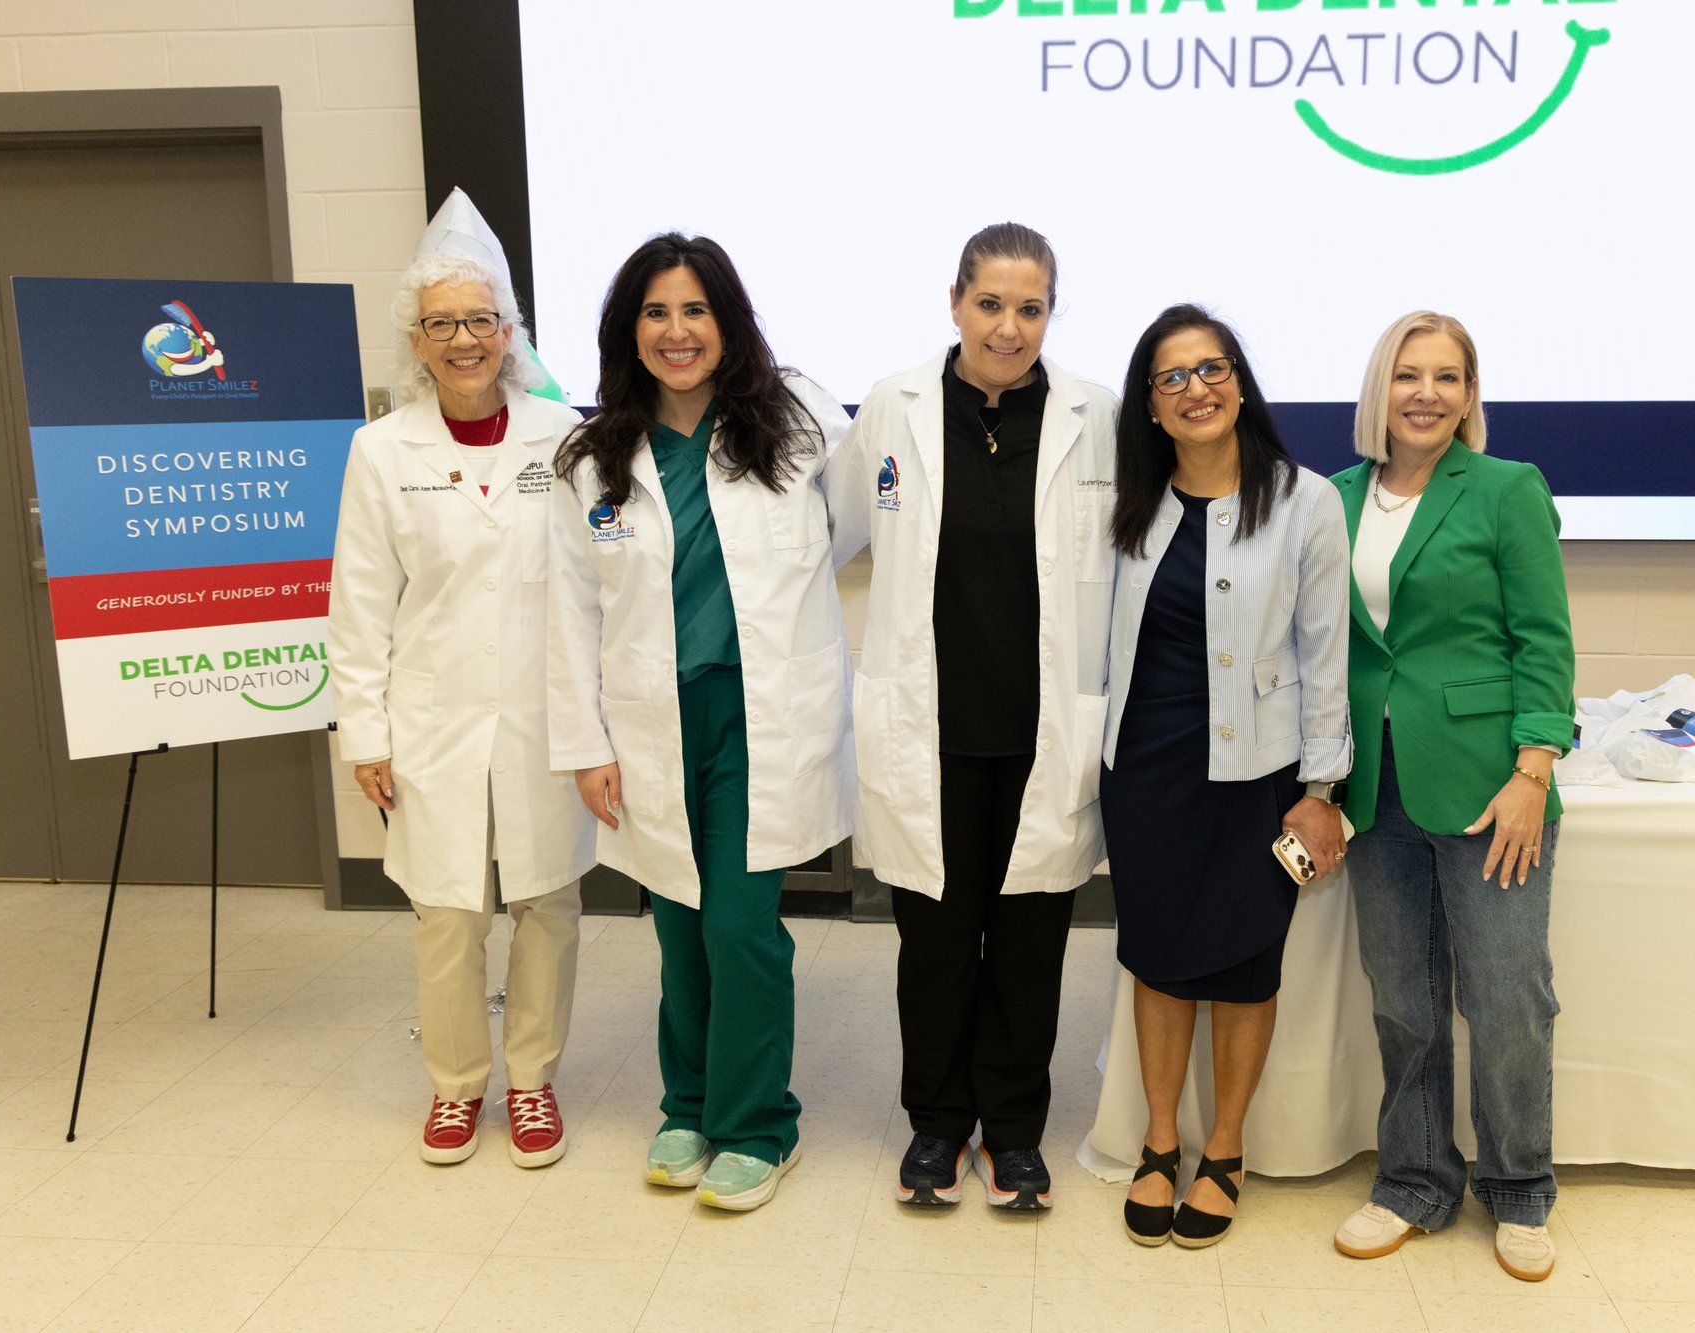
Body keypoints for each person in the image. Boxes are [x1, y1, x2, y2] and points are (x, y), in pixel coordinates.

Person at [547, 232, 852, 1213]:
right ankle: (687, 1105)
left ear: (728, 321)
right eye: (654, 312)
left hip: (759, 719)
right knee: (678, 926)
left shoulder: (798, 419)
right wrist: (586, 745)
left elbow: (851, 528)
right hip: (649, 723)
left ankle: (759, 1124)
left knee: (739, 926)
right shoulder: (593, 460)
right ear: (625, 329)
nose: (676, 332)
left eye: (694, 310)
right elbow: (569, 613)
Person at [826, 222, 1120, 1212]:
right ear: (953, 301)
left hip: (1046, 730)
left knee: (1031, 943)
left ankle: (1015, 1129)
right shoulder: (893, 408)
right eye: (989, 303)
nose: (1007, 326)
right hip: (929, 730)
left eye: (1028, 307)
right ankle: (937, 1124)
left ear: (1049, 313)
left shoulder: (1093, 415)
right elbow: (826, 534)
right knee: (939, 944)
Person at [330, 253, 596, 1168]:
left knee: (548, 901)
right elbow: (360, 600)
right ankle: (455, 1086)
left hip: (542, 716)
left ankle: (531, 1081)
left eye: (480, 320)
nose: (464, 340)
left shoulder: (564, 436)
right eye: (442, 324)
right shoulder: (382, 449)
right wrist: (364, 729)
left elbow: (597, 584)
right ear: (417, 343)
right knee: (447, 910)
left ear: (510, 333)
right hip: (432, 722)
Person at [1327, 311, 1575, 1281]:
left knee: (1509, 996)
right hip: (1372, 786)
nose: (1424, 392)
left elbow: (1543, 640)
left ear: (1469, 397)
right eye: (1405, 374)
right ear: (1376, 391)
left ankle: (1518, 1189)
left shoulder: (1506, 490)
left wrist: (1532, 770)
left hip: (1488, 788)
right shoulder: (1335, 497)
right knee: (1401, 998)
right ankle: (1413, 1180)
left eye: (1446, 376)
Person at [1100, 305, 1352, 1248]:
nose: (1195, 389)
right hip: (1149, 770)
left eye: (1211, 369)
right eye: (1172, 378)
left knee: (1246, 966)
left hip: (1259, 773)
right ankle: (1160, 1143)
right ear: (1152, 407)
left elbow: (1326, 656)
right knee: (1158, 958)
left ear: (1240, 384)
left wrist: (1321, 789)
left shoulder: (1304, 501)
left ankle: (1228, 1147)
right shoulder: (1131, 503)